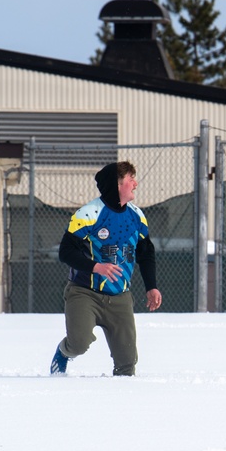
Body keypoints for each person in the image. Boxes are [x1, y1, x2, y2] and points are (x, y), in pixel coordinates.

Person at [50, 161, 162, 376]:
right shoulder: (89, 213)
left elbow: (146, 252)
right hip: (84, 293)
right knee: (79, 344)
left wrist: (152, 287)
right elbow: (65, 252)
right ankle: (64, 352)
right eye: (131, 179)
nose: (135, 184)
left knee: (127, 364)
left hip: (120, 297)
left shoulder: (136, 215)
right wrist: (96, 267)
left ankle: (117, 405)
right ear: (117, 184)